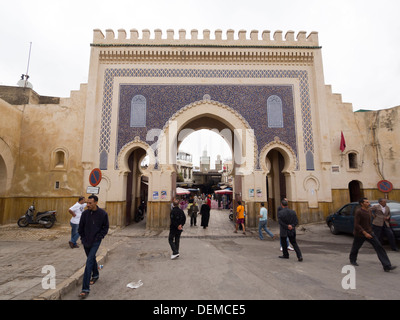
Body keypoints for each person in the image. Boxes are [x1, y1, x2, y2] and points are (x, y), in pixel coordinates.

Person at [349, 197, 396, 272]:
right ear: (362, 204)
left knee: (379, 247)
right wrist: (364, 233)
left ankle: (387, 266)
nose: (369, 203)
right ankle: (352, 260)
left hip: (370, 233)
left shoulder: (369, 210)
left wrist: (371, 231)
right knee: (356, 247)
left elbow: (369, 221)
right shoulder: (359, 211)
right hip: (360, 234)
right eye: (366, 202)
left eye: (368, 202)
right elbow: (356, 225)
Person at [78, 195, 109, 299]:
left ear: (96, 202)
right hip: (86, 241)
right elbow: (80, 227)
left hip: (96, 241)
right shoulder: (85, 214)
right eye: (87, 203)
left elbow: (106, 227)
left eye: (90, 203)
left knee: (89, 262)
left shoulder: (103, 214)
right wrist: (82, 237)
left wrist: (99, 237)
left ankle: (85, 289)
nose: (88, 205)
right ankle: (95, 275)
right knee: (91, 259)